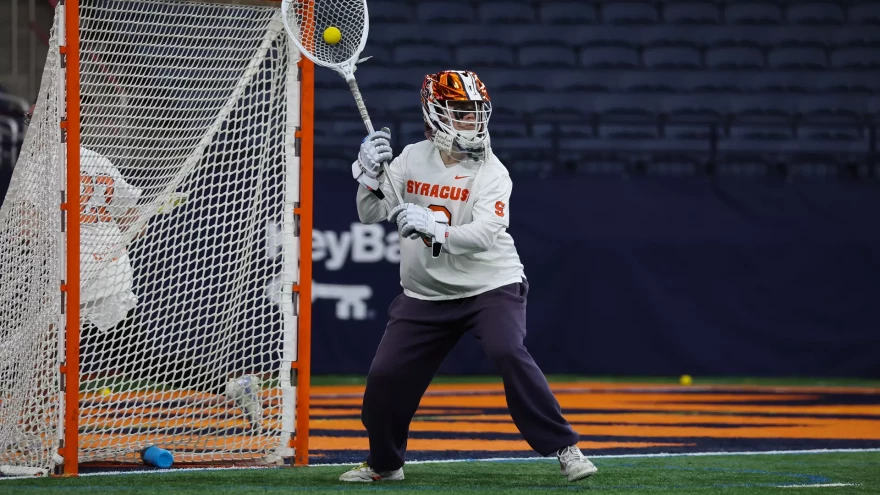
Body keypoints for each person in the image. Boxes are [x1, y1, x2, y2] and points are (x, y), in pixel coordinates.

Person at [340, 70, 597, 483]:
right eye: (459, 112)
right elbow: (369, 213)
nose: (471, 122)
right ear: (434, 113)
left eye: (476, 112)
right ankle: (385, 464)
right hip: (424, 294)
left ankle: (565, 447)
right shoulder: (408, 158)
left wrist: (431, 225)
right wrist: (368, 176)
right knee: (386, 378)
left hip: (489, 286)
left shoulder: (493, 172)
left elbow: (481, 237)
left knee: (507, 350)